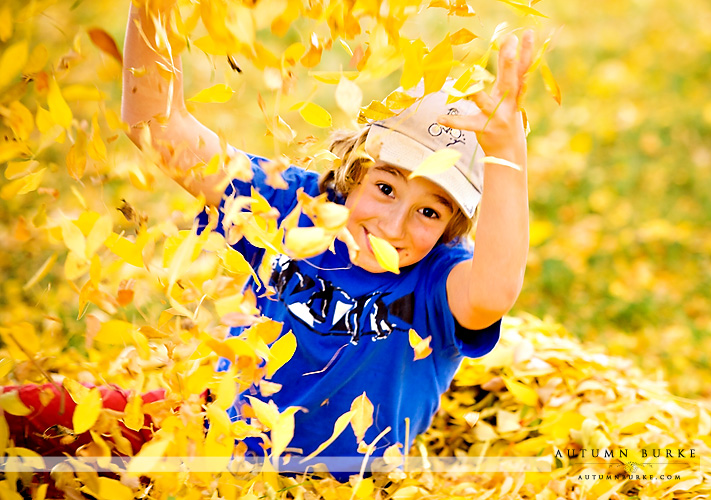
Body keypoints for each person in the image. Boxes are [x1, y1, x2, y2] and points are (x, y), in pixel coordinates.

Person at [4, 1, 533, 478]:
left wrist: (506, 152)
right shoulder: (286, 206)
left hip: (327, 487)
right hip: (207, 438)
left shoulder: (436, 282)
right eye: (385, 186)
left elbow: (492, 291)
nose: (393, 227)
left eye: (427, 211)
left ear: (451, 228)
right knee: (24, 414)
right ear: (355, 170)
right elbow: (156, 124)